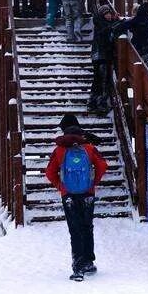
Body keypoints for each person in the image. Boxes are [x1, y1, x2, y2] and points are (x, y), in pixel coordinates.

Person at [44, 113, 108, 281]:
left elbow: (49, 172)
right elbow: (102, 165)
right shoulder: (88, 148)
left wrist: (61, 186)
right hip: (88, 193)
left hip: (69, 195)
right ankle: (88, 262)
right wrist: (93, 183)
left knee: (75, 229)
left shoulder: (59, 150)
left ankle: (78, 266)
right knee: (87, 226)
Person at [88, 4, 120, 114]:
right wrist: (115, 23)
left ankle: (93, 102)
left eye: (109, 13)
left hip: (100, 55)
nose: (109, 16)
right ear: (102, 15)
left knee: (98, 79)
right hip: (101, 55)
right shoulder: (100, 24)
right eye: (107, 14)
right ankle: (100, 103)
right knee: (102, 80)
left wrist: (114, 21)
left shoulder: (101, 23)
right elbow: (106, 32)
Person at [113, 2, 148, 67]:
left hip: (137, 45)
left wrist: (120, 21)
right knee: (145, 63)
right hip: (147, 45)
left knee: (136, 63)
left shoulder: (136, 20)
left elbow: (122, 26)